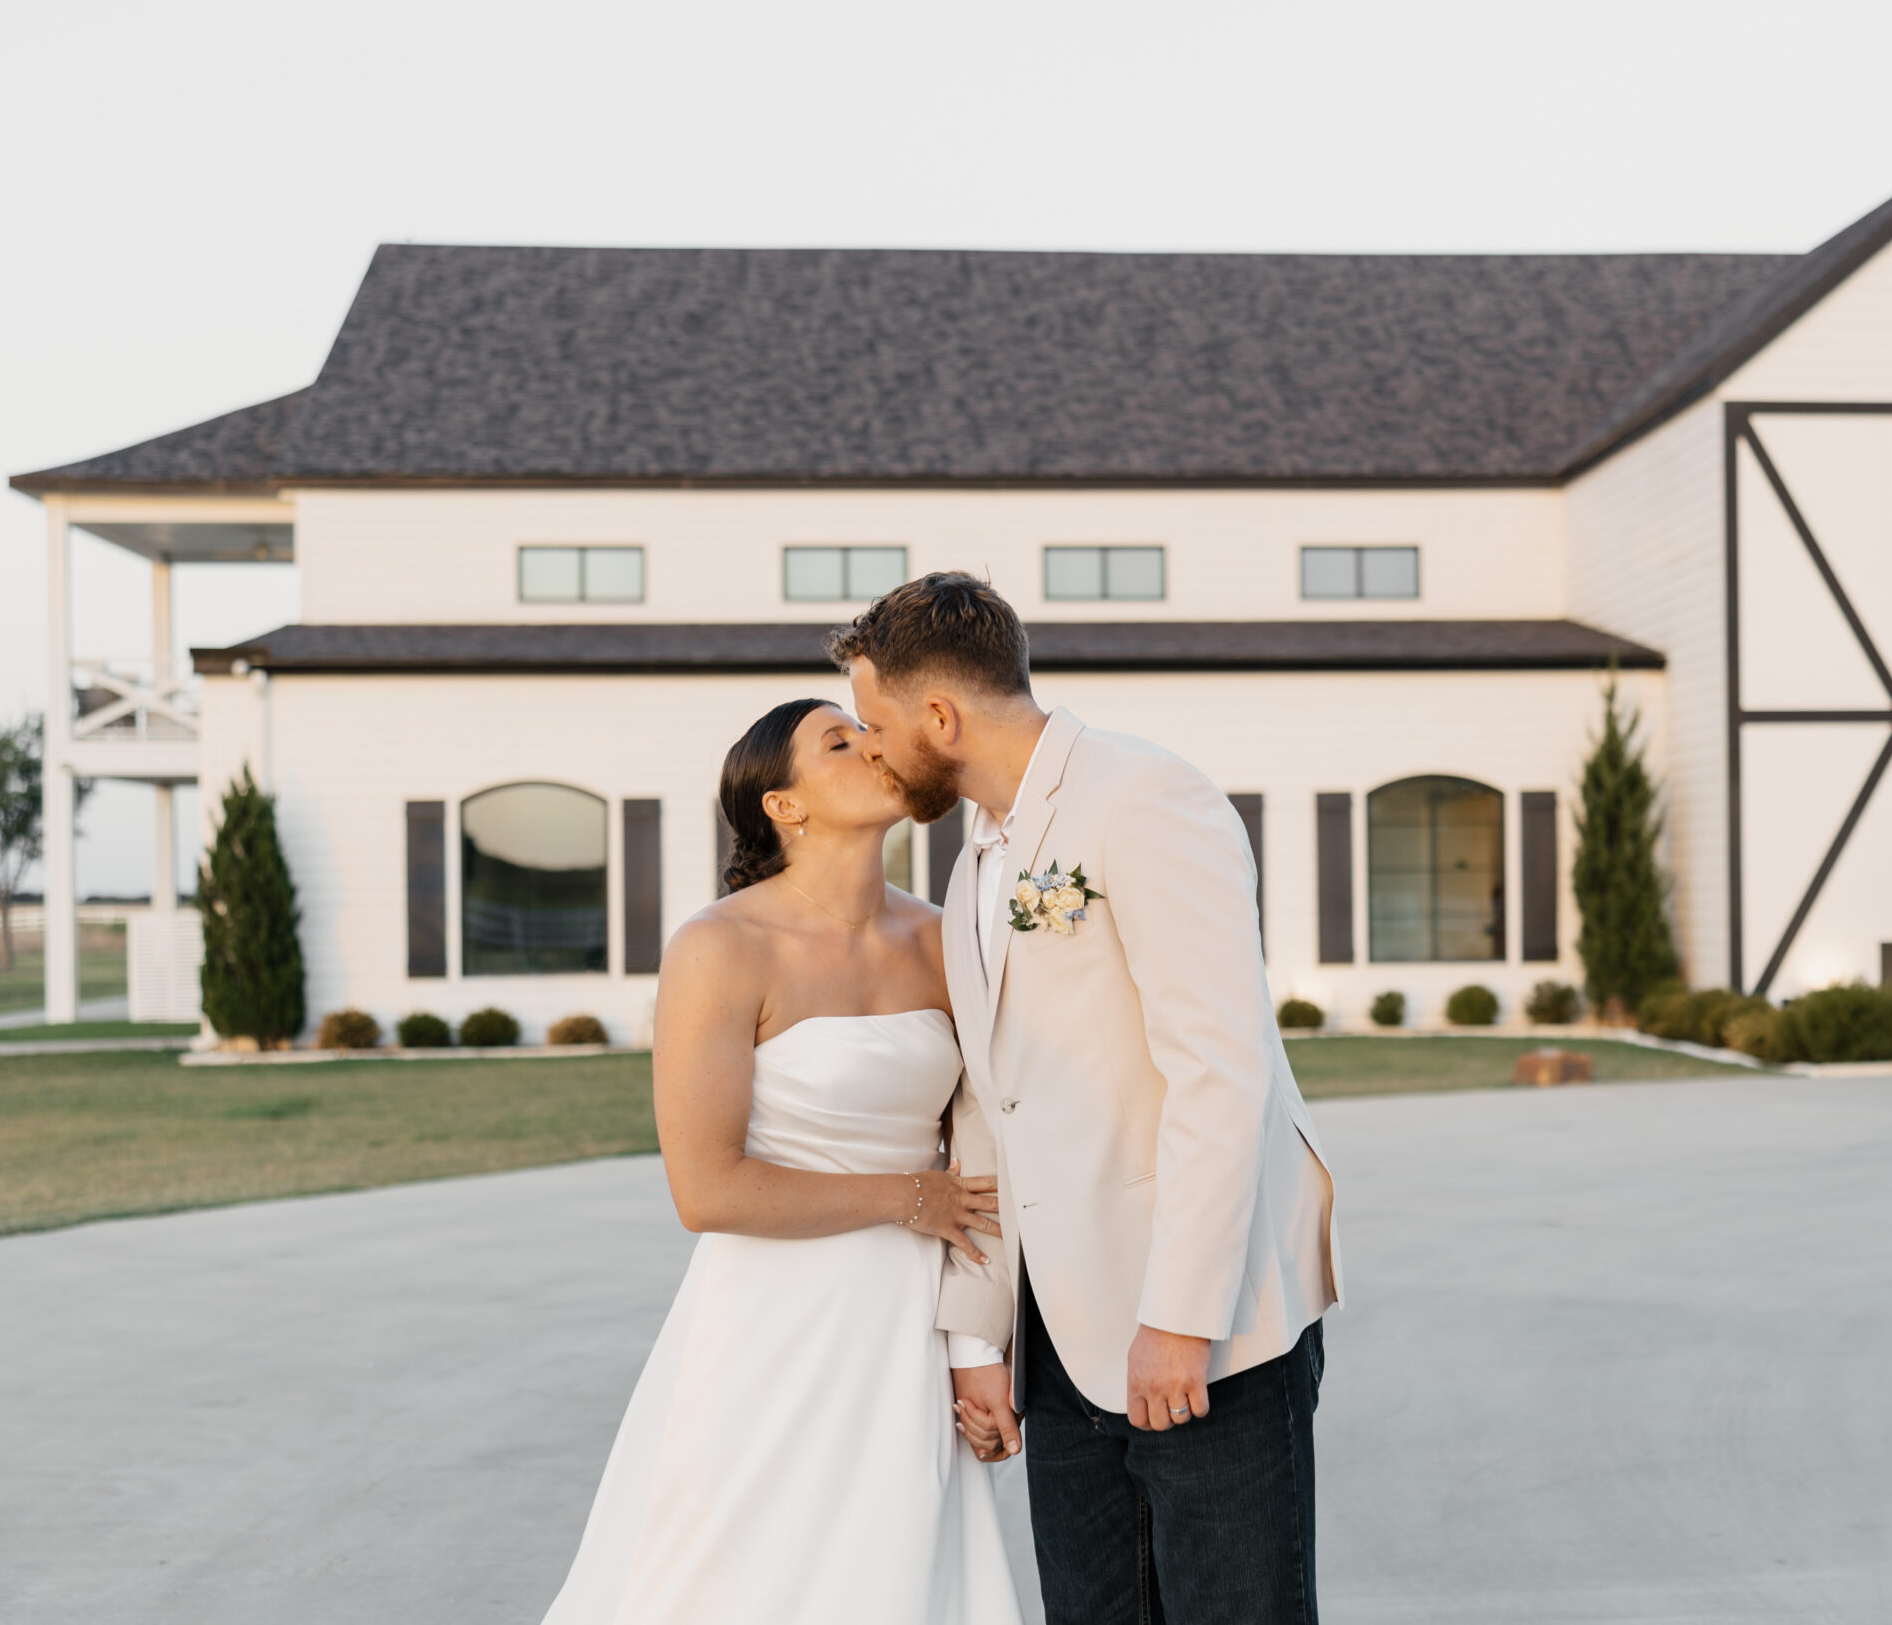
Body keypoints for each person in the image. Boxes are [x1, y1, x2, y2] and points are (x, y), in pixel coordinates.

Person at [832, 573, 1342, 1624]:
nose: (870, 749)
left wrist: (1177, 1317)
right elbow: (985, 1109)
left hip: (1202, 1332)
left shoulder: (1144, 797)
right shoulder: (974, 863)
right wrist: (981, 1339)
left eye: (876, 725)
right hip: (1059, 1342)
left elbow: (1220, 1070)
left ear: (940, 716)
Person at [540, 697, 1023, 1625]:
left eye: (866, 730)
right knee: (741, 1570)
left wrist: (976, 1347)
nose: (871, 746)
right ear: (783, 806)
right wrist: (906, 1196)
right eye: (839, 742)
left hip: (908, 1323)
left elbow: (981, 1154)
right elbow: (705, 1187)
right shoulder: (720, 947)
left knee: (895, 1569)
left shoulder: (941, 938)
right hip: (771, 1322)